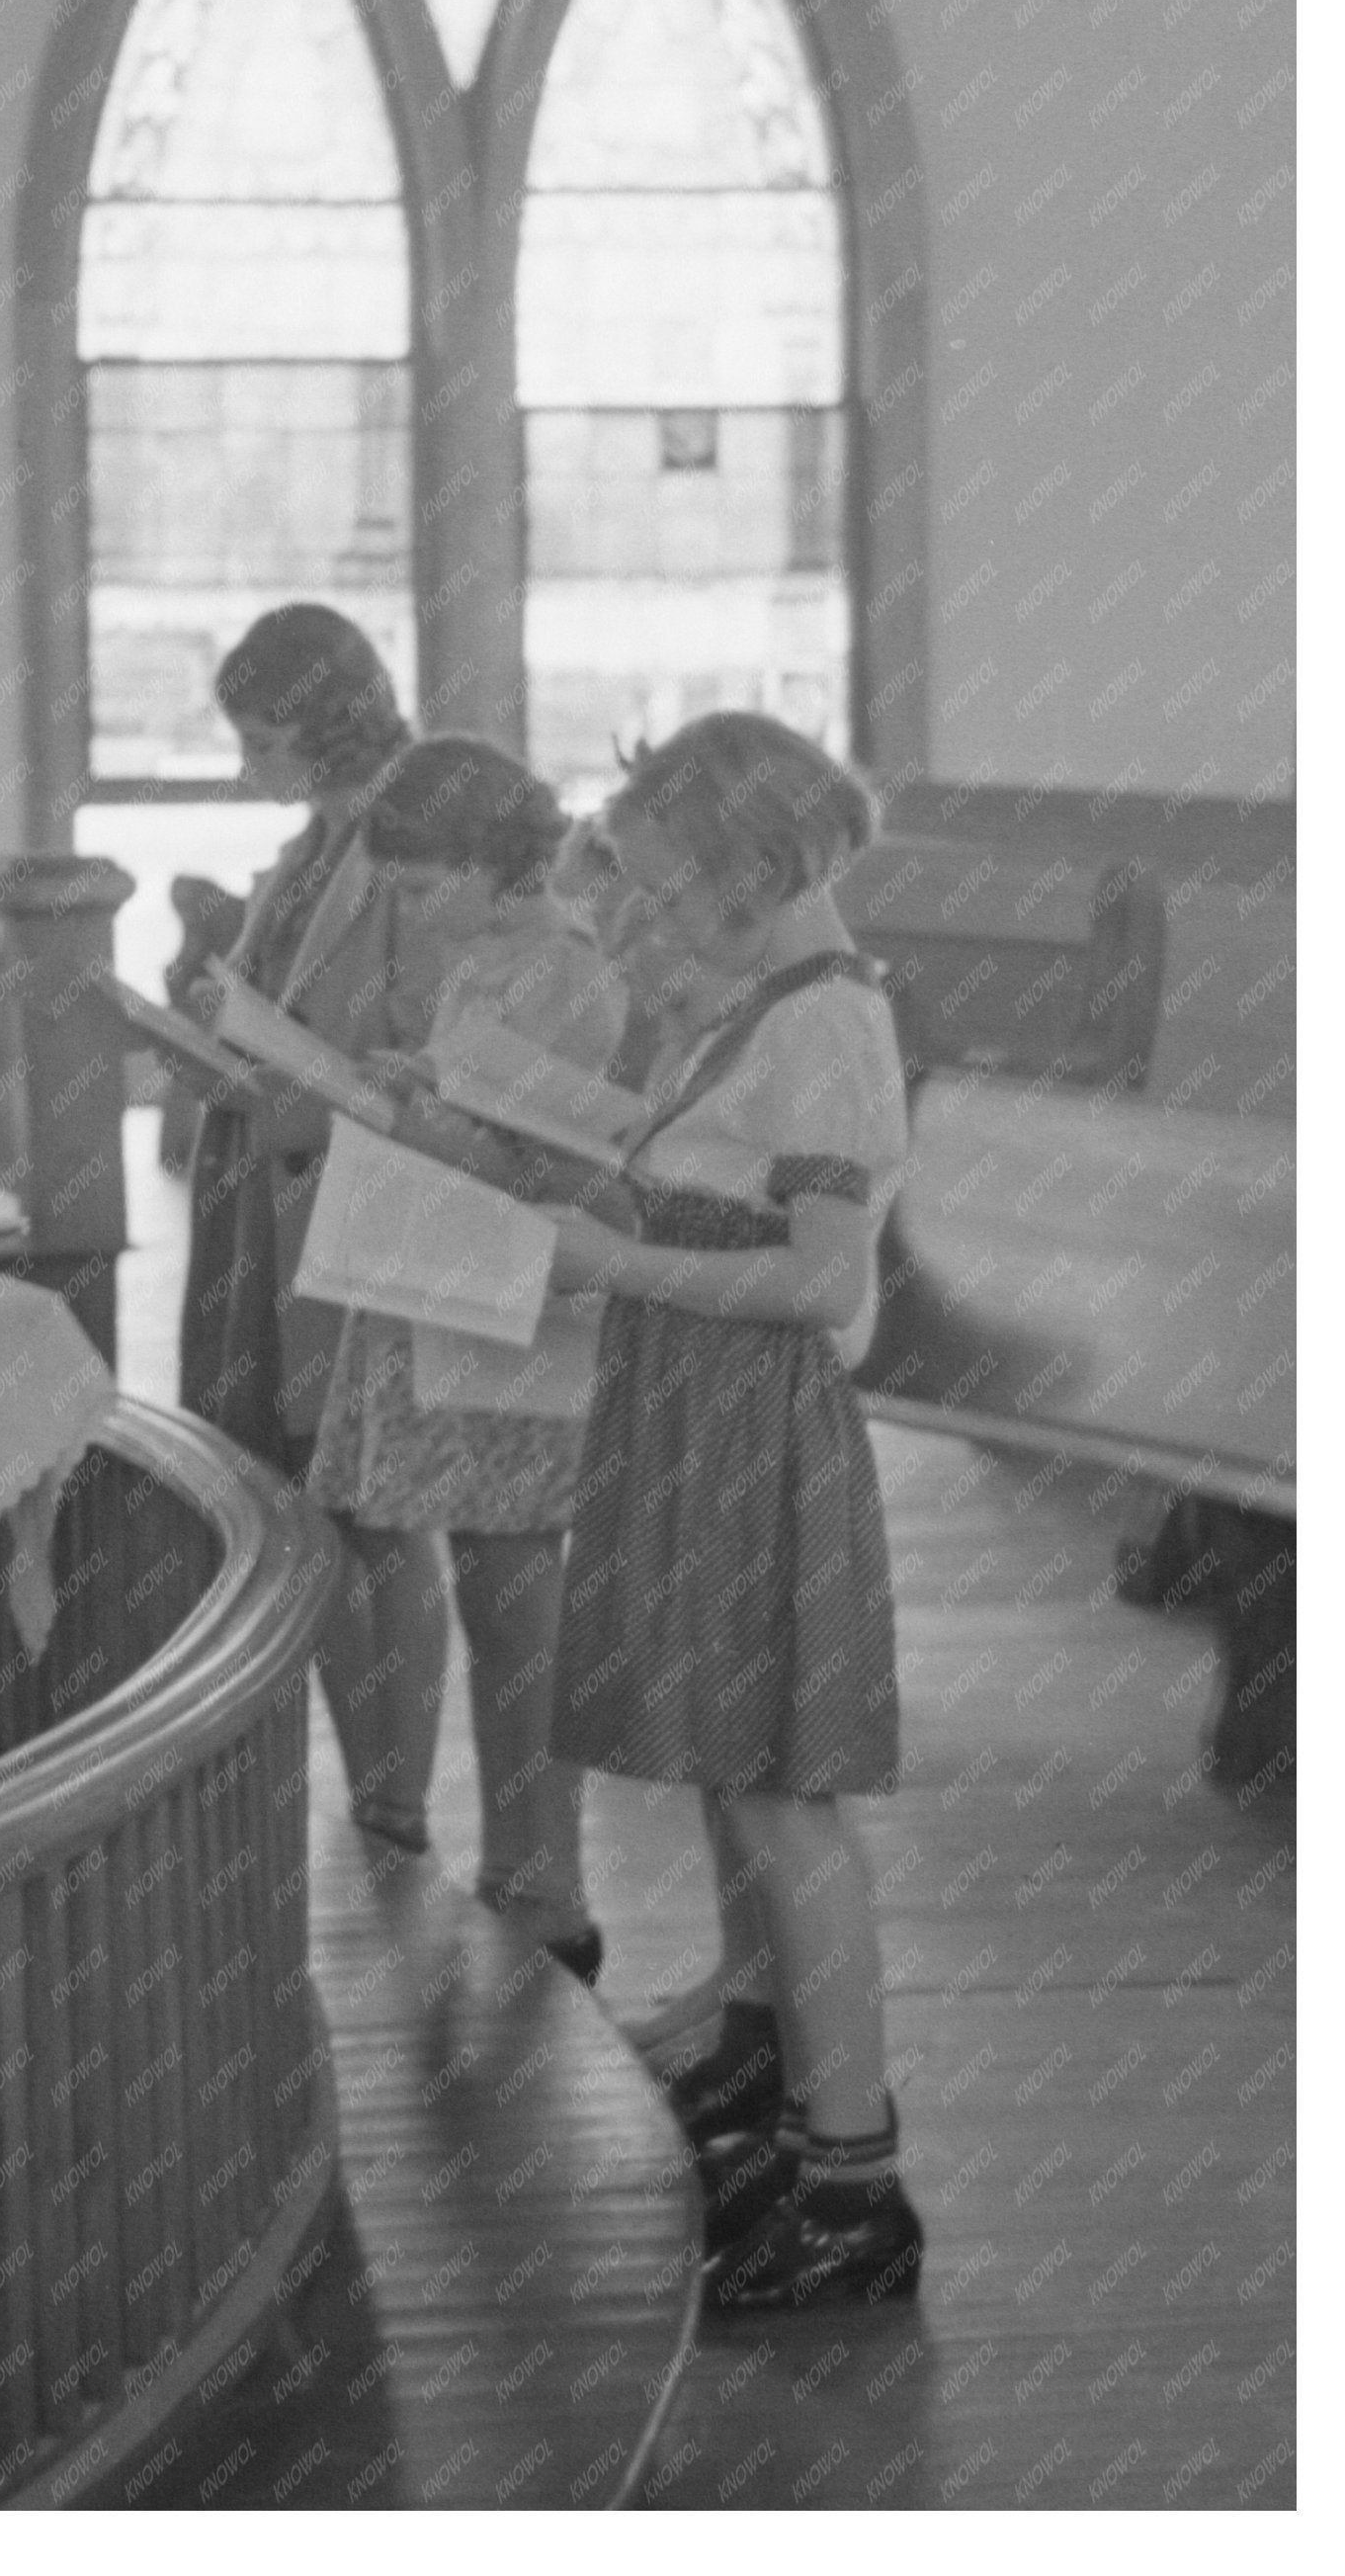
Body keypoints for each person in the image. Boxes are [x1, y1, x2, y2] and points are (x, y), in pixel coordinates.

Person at [544, 714, 921, 2313]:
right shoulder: (767, 1008)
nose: (642, 916)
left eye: (658, 883)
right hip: (693, 1411)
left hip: (749, 1424)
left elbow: (821, 1279)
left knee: (781, 1798)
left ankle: (853, 2184)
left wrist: (612, 1261)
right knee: (726, 1764)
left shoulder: (823, 1026)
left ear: (745, 865)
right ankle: (768, 2078)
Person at [299, 738, 628, 1976]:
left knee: (519, 1603)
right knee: (486, 1585)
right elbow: (477, 1111)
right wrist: (414, 1089)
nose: (410, 911)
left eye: (429, 885)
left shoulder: (570, 970)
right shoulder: (488, 956)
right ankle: (500, 1865)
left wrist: (412, 1116)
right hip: (451, 1295)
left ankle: (542, 1875)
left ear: (504, 864)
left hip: (520, 1316)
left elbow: (552, 1159)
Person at [165, 606, 410, 1487]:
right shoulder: (310, 845)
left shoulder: (408, 850)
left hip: (340, 1170)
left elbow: (416, 1035)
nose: (245, 766)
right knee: (263, 1465)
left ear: (338, 727)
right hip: (258, 1173)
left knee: (356, 1483)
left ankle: (352, 1632)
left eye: (264, 743)